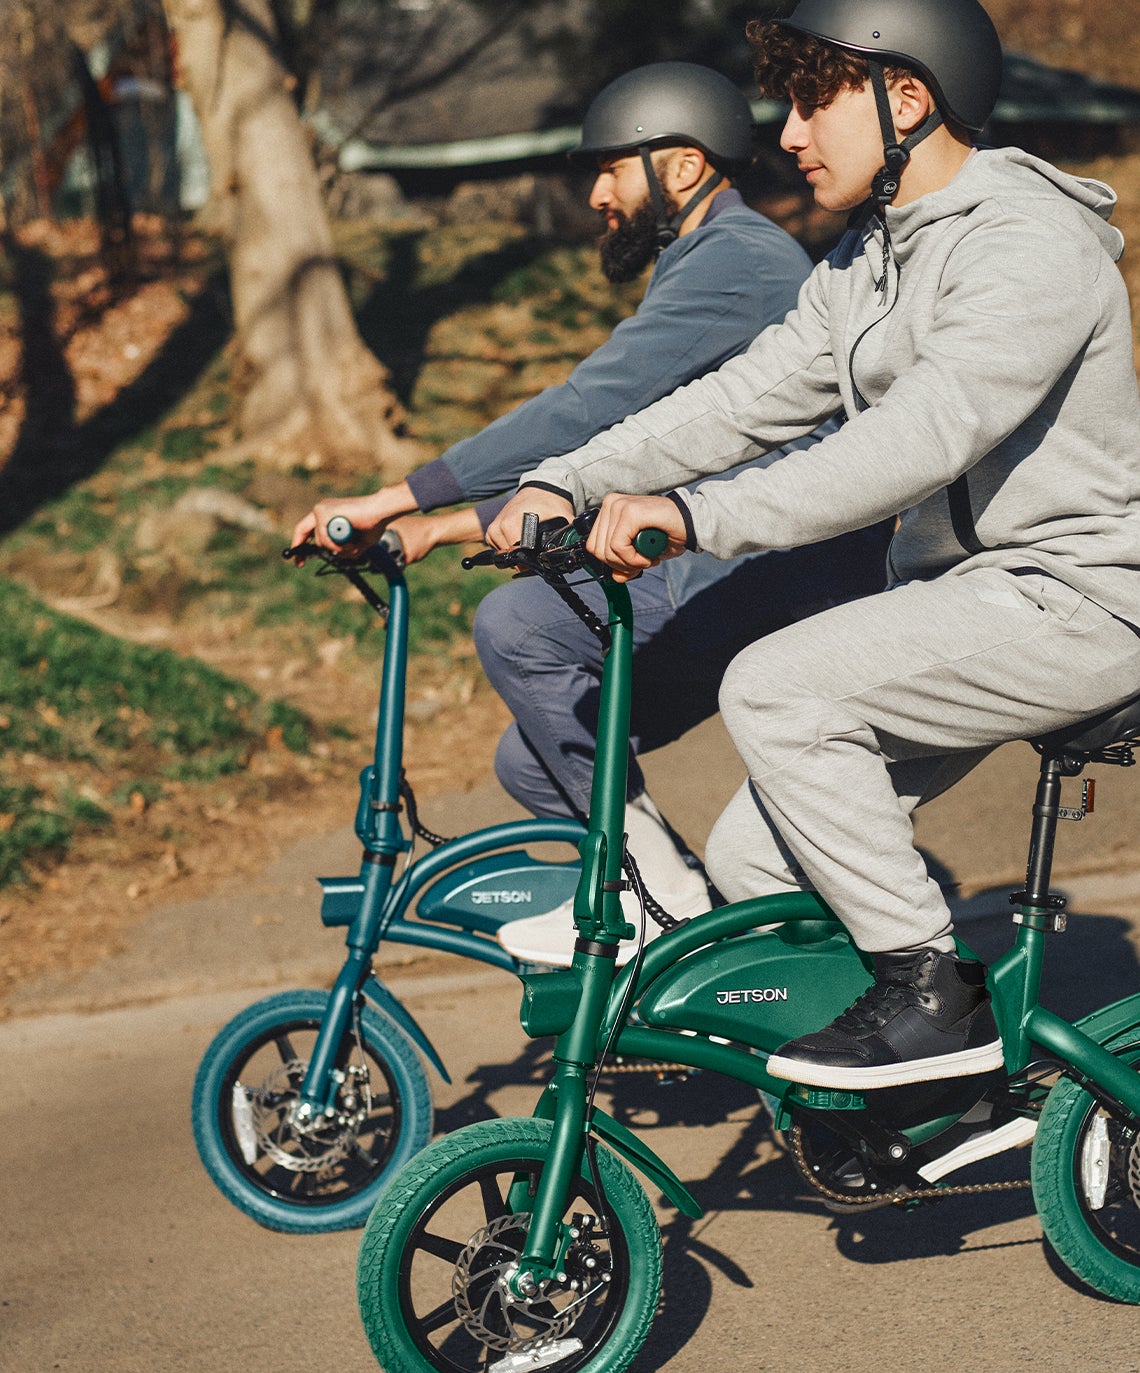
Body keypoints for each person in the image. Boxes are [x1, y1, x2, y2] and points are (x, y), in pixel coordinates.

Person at [489, 0, 1140, 1087]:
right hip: (961, 609)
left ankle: (934, 1003)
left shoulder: (1026, 243)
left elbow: (922, 437)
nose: (790, 134)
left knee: (776, 689)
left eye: (814, 101)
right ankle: (882, 1100)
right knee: (751, 860)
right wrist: (574, 475)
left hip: (1069, 601)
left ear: (906, 98)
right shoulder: (871, 257)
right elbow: (751, 394)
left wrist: (698, 515)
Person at [292, 61, 890, 965]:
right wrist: (433, 529)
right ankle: (681, 921)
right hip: (737, 552)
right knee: (535, 759)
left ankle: (662, 911)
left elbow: (587, 409)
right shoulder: (704, 260)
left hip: (787, 557)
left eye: (612, 168)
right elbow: (635, 449)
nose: (596, 193)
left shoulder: (739, 261)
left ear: (682, 169)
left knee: (522, 625)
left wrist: (399, 493)